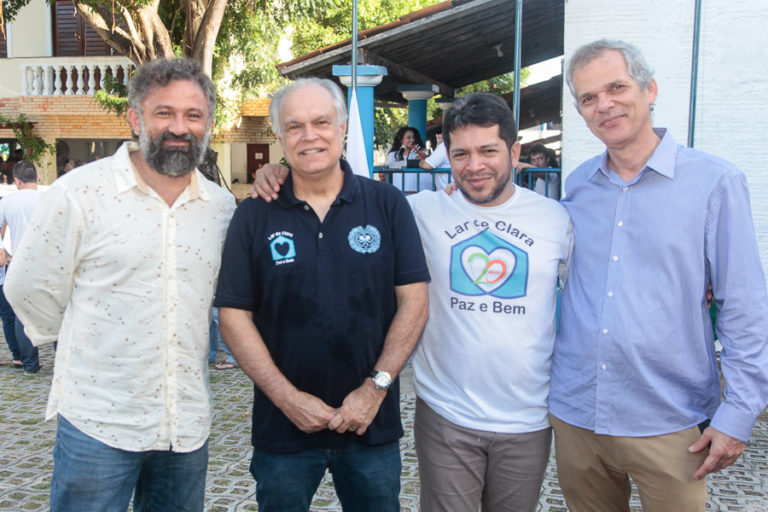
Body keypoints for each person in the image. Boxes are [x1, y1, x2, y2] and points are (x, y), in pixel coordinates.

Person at [249, 92, 573, 512]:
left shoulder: (556, 219)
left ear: (513, 152)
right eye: (461, 154)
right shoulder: (415, 209)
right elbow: (339, 192)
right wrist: (275, 170)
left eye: (488, 151)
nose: (474, 166)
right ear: (445, 157)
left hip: (528, 418)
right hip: (446, 414)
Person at [4, 58, 236, 511]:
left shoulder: (221, 208)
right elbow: (27, 286)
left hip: (184, 423)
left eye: (193, 115)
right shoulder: (79, 194)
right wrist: (77, 344)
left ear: (208, 124)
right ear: (135, 119)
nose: (179, 127)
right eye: (163, 112)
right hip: (98, 421)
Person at [550, 38, 768, 511]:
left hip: (670, 421)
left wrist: (740, 413)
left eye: (616, 87)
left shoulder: (715, 183)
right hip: (577, 414)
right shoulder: (578, 186)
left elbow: (745, 305)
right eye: (588, 97)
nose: (604, 104)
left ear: (649, 89)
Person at [215, 77, 429, 511]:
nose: (309, 136)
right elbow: (234, 317)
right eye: (295, 126)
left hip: (372, 424)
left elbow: (415, 301)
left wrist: (376, 388)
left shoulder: (388, 205)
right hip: (283, 430)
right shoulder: (253, 215)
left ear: (344, 126)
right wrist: (288, 399)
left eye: (321, 122)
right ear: (279, 137)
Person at [0, 160, 42, 373]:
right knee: (57, 310)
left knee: (19, 313)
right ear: (38, 177)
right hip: (47, 262)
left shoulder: (8, 201)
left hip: (18, 262)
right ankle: (61, 361)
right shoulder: (50, 197)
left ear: (16, 181)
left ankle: (29, 364)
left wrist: (3, 251)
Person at [386, 126, 429, 192]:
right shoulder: (393, 155)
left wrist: (420, 154)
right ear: (401, 140)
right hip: (400, 191)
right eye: (408, 137)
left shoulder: (422, 151)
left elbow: (429, 161)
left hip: (420, 191)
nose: (412, 140)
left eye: (413, 137)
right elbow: (391, 166)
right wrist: (414, 163)